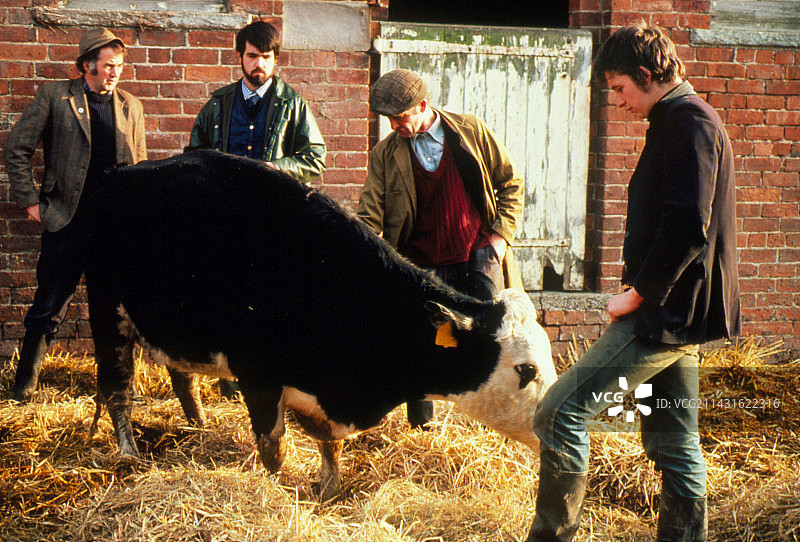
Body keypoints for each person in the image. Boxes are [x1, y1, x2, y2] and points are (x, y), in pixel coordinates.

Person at [525, 22, 740, 542]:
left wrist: (636, 294)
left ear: (647, 75)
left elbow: (689, 223)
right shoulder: (677, 121)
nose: (617, 101)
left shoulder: (690, 123)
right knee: (674, 438)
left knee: (558, 411)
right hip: (679, 310)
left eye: (620, 88)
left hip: (665, 311)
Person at [357, 69, 525, 428]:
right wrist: (366, 262)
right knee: (423, 348)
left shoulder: (470, 131)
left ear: (423, 105)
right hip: (421, 264)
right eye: (388, 119)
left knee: (494, 339)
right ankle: (424, 430)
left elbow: (511, 183)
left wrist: (499, 237)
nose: (393, 126)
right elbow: (369, 213)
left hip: (477, 254)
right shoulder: (385, 155)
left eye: (400, 117)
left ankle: (498, 419)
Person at [5, 28, 147, 402]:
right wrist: (30, 201)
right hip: (66, 223)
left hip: (114, 230)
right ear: (87, 65)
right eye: (109, 65)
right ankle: (23, 389)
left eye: (120, 66)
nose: (116, 72)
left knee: (113, 314)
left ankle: (115, 389)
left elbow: (141, 167)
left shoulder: (132, 106)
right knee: (48, 308)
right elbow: (17, 148)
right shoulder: (56, 97)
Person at [186, 20, 326, 184]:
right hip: (225, 202)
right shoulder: (219, 104)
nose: (259, 64)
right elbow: (194, 156)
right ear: (240, 56)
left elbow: (315, 159)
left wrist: (276, 168)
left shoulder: (292, 104)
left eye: (266, 57)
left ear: (276, 59)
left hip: (274, 202)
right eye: (252, 56)